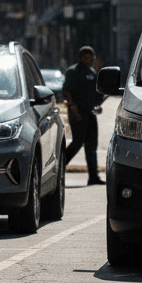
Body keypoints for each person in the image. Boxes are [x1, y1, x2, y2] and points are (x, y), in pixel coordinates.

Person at [62, 45, 104, 186]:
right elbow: (67, 92)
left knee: (91, 145)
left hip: (90, 113)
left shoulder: (92, 72)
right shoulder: (73, 71)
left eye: (91, 57)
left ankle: (93, 177)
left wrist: (98, 101)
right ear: (80, 58)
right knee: (77, 142)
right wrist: (74, 111)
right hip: (77, 112)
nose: (89, 60)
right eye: (86, 57)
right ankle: (59, 169)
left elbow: (96, 92)